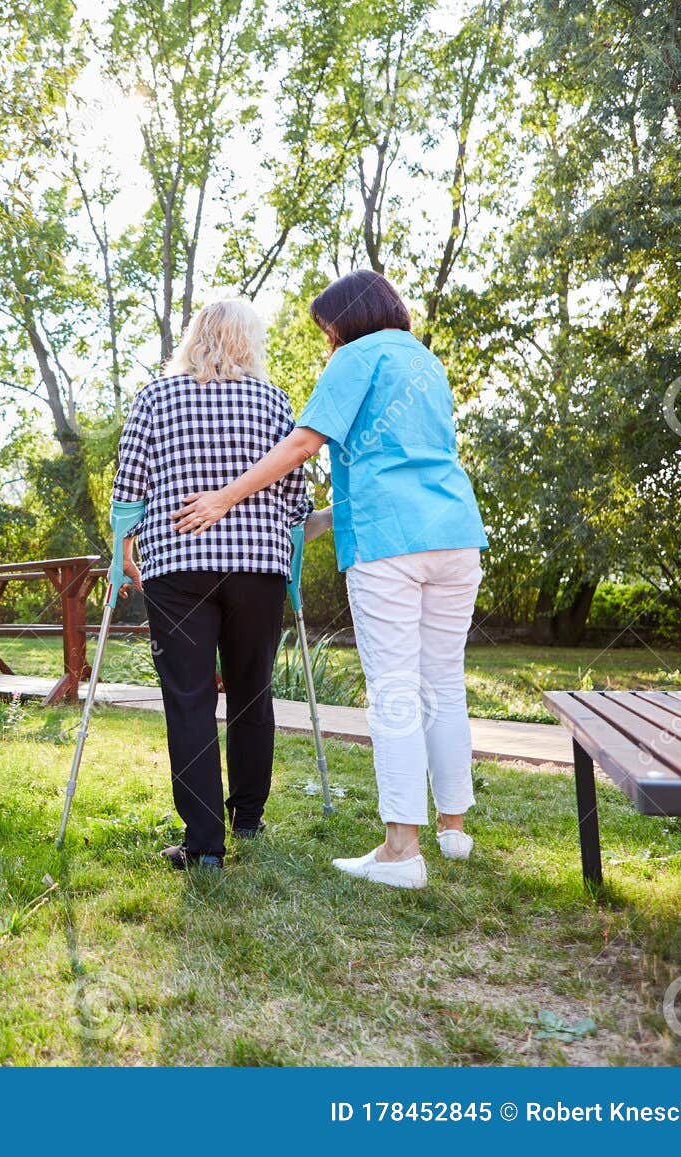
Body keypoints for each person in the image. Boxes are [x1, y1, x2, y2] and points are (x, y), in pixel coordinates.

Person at [171, 270, 488, 889]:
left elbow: (300, 446)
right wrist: (302, 525)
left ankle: (402, 853)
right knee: (443, 683)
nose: (327, 343)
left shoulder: (357, 355)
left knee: (395, 687)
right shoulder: (425, 362)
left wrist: (222, 501)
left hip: (389, 544)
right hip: (455, 532)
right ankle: (452, 828)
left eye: (327, 329)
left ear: (348, 319)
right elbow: (404, 459)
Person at [109, 299, 314, 874]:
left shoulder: (155, 397)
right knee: (252, 691)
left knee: (190, 697)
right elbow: (296, 496)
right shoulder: (273, 401)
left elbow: (130, 488)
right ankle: (247, 816)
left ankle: (204, 844)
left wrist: (123, 551)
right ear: (249, 342)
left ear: (194, 337)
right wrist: (289, 558)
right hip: (257, 565)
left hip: (177, 565)